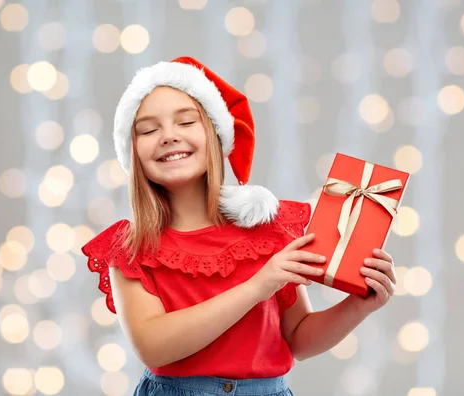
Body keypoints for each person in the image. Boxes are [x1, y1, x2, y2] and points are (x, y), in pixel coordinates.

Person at [81, 57, 397, 396]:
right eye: (148, 129)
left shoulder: (268, 230)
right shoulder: (130, 247)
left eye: (186, 122)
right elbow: (154, 347)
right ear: (133, 151)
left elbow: (299, 339)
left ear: (216, 135)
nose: (168, 136)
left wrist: (359, 305)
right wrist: (258, 285)